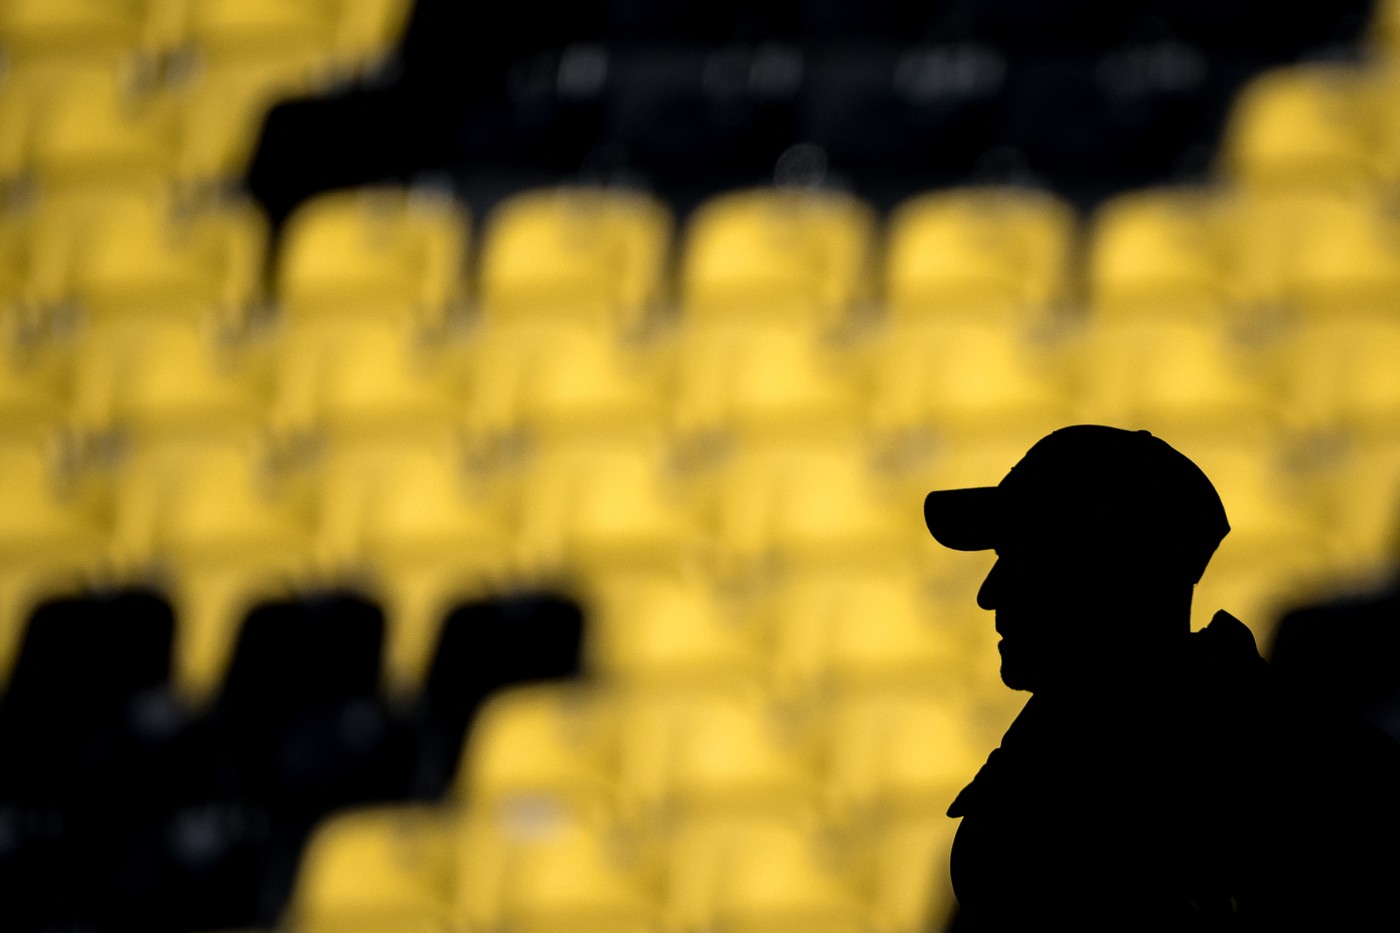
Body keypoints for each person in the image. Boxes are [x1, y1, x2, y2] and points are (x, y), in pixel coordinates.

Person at [922, 425, 1400, 931]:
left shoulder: (1297, 777)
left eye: (1023, 560)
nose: (988, 593)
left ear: (1104, 572)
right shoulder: (1057, 745)